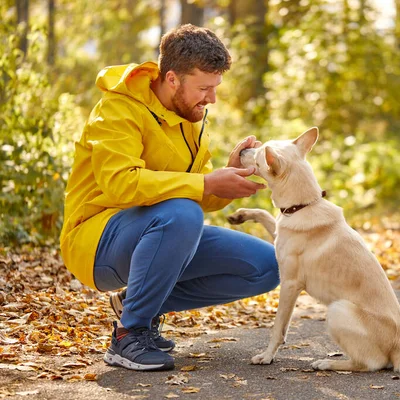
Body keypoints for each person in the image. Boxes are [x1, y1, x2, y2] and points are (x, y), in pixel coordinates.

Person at [60, 24, 280, 371]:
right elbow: (121, 184)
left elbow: (197, 194)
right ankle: (128, 335)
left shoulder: (188, 116)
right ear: (173, 79)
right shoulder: (119, 108)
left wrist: (225, 175)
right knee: (182, 214)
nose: (212, 99)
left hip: (163, 231)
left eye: (216, 87)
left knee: (267, 266)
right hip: (97, 240)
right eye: (204, 88)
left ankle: (136, 305)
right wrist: (205, 184)